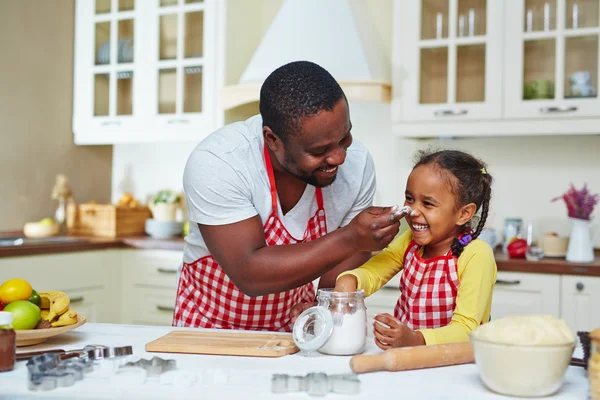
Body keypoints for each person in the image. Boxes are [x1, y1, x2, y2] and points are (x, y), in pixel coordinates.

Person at [173, 61, 403, 332]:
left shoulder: (358, 163)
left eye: (345, 138)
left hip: (295, 326)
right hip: (207, 328)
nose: (339, 157)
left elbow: (345, 258)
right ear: (272, 139)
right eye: (319, 151)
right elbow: (249, 274)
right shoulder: (220, 162)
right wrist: (352, 237)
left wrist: (321, 306)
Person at [334, 149, 497, 349]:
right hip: (408, 356)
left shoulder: (476, 255)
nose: (413, 211)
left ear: (464, 214)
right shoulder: (409, 242)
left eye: (427, 204)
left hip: (454, 364)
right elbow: (375, 271)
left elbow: (466, 329)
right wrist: (351, 280)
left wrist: (415, 339)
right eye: (410, 199)